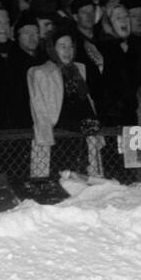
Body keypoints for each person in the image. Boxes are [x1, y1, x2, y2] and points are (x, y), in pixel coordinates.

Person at [28, 24, 100, 179]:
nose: (68, 51)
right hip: (57, 142)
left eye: (70, 46)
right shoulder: (41, 73)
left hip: (82, 140)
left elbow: (85, 103)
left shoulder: (78, 70)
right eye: (62, 46)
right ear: (52, 49)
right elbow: (42, 112)